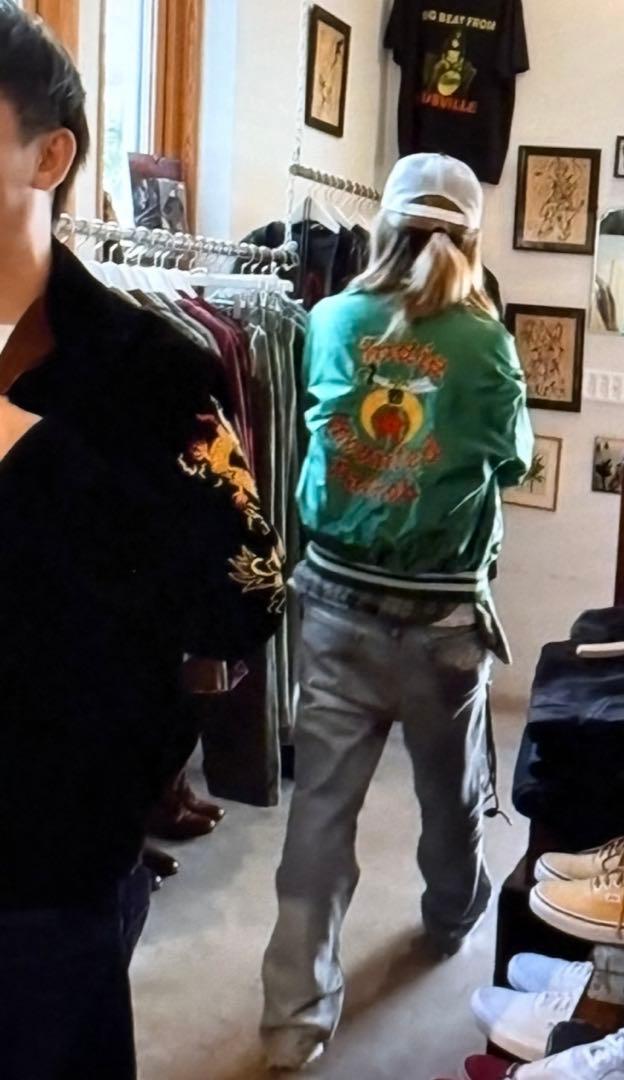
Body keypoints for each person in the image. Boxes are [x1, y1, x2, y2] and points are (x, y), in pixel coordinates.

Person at [0, 6, 285, 1077]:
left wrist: (113, 747)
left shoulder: (150, 370)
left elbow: (247, 591)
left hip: (47, 865)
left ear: (49, 156)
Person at [261, 152, 533, 1070]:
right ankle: (451, 917)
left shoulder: (331, 318)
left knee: (319, 811)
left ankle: (293, 1018)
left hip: (332, 603)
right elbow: (514, 459)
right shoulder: (484, 342)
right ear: (471, 238)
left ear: (384, 225)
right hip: (442, 621)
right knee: (448, 794)